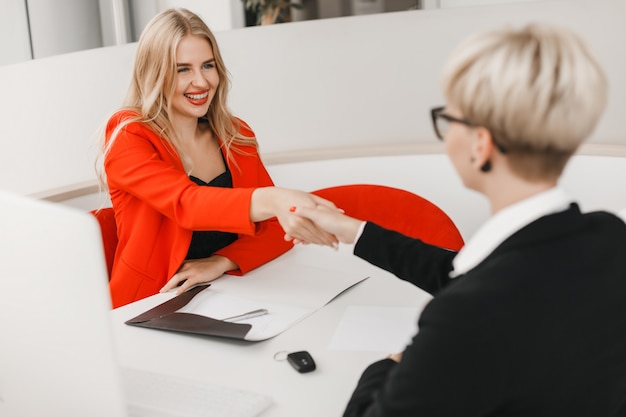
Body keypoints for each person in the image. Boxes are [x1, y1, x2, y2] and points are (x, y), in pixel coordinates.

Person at [293, 23, 626, 416]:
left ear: (480, 145)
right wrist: (356, 232)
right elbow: (480, 277)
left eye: (448, 119)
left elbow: (478, 298)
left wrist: (391, 365)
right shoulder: (610, 236)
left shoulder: (465, 320)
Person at [101, 8, 337, 309]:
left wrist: (221, 261)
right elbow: (186, 203)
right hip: (149, 302)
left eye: (207, 66)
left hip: (229, 294)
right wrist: (275, 198)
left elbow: (275, 228)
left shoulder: (235, 134)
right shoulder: (129, 135)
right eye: (182, 69)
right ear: (155, 74)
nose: (200, 82)